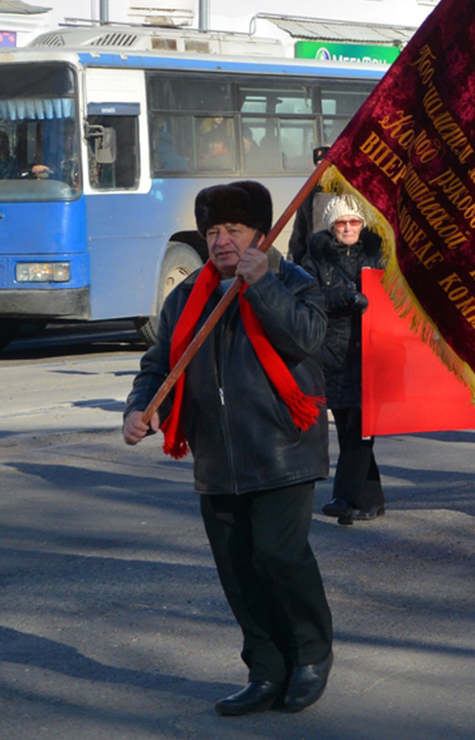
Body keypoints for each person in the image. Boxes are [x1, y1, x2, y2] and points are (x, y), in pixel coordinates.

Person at [122, 181, 335, 715]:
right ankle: (265, 671)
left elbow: (309, 340)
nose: (220, 241)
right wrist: (138, 408)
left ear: (261, 235)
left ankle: (309, 656)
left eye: (233, 231)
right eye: (212, 231)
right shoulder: (186, 295)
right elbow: (159, 365)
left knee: (280, 556)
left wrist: (262, 286)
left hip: (282, 449)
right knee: (238, 571)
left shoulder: (293, 280)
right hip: (217, 459)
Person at [301, 196, 386, 524]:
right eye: (341, 222)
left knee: (362, 429)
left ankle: (345, 497)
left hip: (373, 354)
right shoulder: (315, 259)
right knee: (351, 426)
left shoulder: (378, 253)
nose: (348, 227)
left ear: (363, 224)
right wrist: (341, 297)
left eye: (354, 221)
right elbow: (305, 298)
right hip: (334, 357)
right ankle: (372, 499)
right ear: (331, 226)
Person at [287, 145, 335, 265]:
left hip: (336, 261)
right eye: (318, 166)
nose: (321, 171)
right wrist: (291, 266)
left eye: (326, 166)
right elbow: (299, 236)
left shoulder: (347, 194)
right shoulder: (308, 194)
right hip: (313, 262)